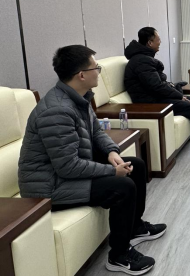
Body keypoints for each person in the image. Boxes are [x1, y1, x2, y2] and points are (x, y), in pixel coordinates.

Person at [18, 45, 165, 275]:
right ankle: (118, 256)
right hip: (48, 187)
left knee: (135, 165)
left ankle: (135, 227)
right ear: (81, 75)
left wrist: (112, 152)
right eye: (96, 67)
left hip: (63, 174)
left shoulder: (79, 97)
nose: (99, 71)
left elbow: (96, 132)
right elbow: (67, 167)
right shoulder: (56, 111)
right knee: (123, 186)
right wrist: (111, 172)